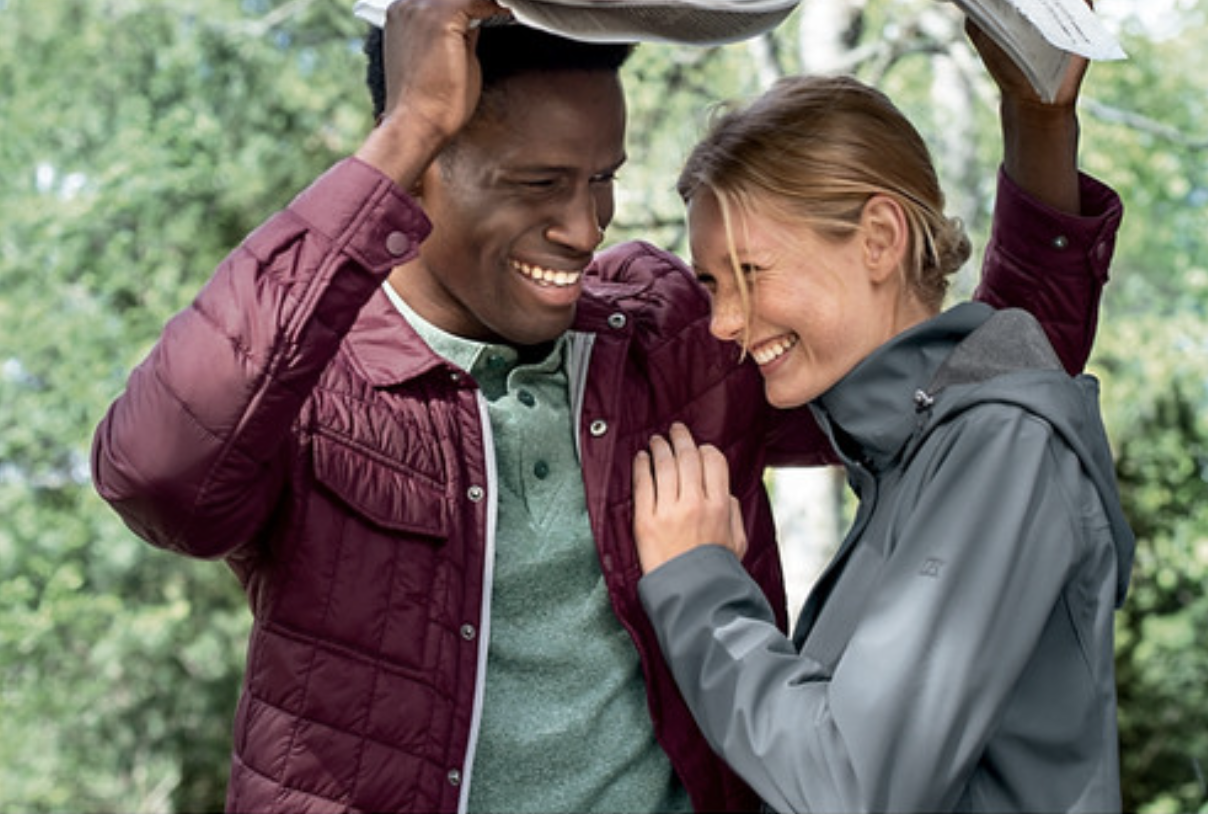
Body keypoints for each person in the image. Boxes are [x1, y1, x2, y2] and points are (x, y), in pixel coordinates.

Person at [90, 0, 1122, 809]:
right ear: (422, 173)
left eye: (603, 179)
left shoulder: (673, 341)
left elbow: (987, 373)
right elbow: (157, 476)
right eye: (540, 182)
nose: (584, 229)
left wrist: (1039, 123)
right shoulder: (309, 377)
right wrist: (406, 126)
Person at [631, 42, 1135, 814]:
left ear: (878, 239)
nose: (726, 322)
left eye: (751, 273)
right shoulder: (915, 452)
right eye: (710, 285)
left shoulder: (1000, 443)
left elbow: (852, 785)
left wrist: (696, 583)